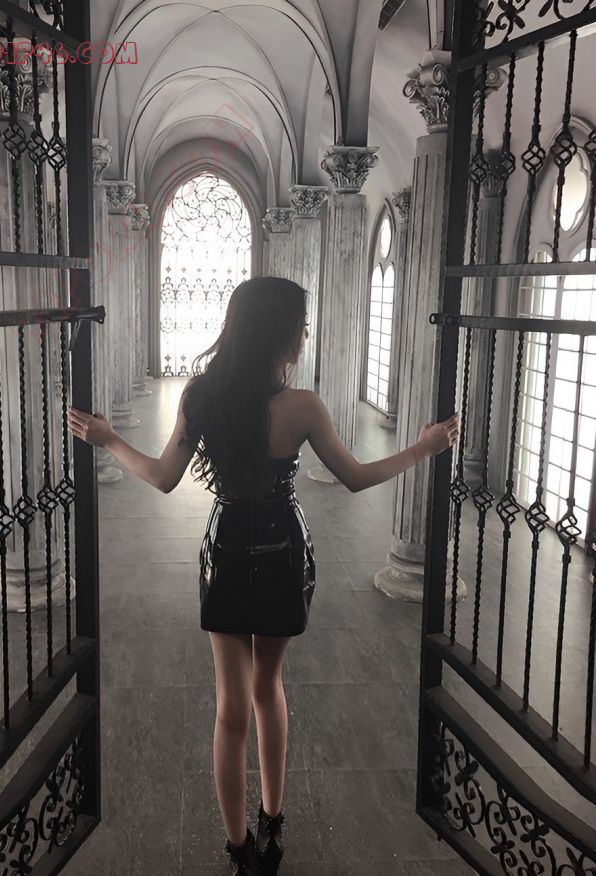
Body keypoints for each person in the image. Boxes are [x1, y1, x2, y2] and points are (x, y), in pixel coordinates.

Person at [67, 276, 459, 876]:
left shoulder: (201, 394)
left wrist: (109, 438)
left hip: (225, 550)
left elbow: (164, 478)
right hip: (281, 551)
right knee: (269, 689)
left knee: (230, 710)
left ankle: (239, 847)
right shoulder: (303, 407)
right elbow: (355, 478)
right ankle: (273, 820)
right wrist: (422, 449)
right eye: (301, 325)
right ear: (283, 334)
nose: (305, 335)